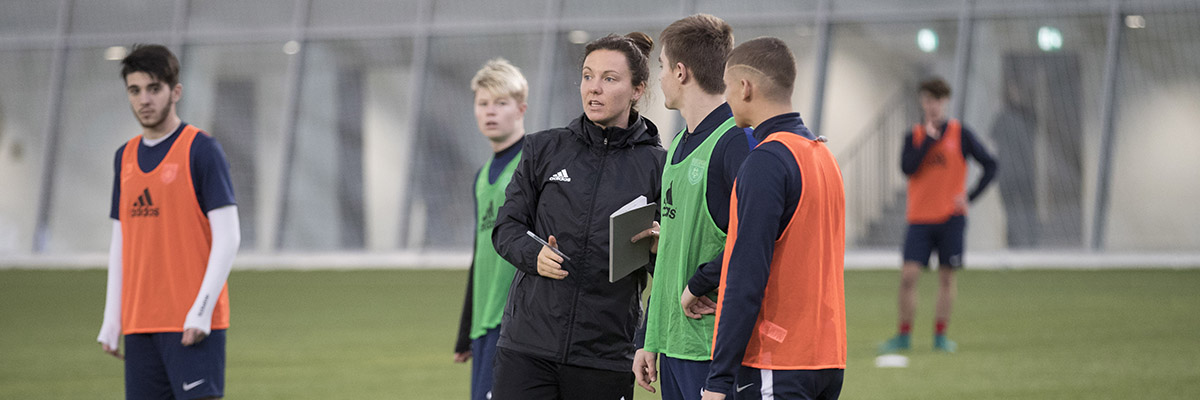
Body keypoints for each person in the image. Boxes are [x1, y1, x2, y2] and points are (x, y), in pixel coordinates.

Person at [490, 32, 666, 400]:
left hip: (605, 355)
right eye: (588, 76)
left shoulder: (659, 166)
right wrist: (532, 254)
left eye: (609, 79)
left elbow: (668, 266)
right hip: (528, 347)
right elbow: (506, 227)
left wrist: (655, 251)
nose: (594, 89)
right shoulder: (543, 148)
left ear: (637, 90)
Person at [702, 37, 847, 400]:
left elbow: (746, 275)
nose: (727, 97)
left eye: (727, 86)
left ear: (745, 87)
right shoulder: (823, 156)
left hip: (778, 361)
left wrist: (718, 380)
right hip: (827, 358)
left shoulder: (766, 161)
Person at [96, 44, 240, 400]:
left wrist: (201, 311)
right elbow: (121, 242)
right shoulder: (124, 157)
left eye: (154, 88)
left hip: (192, 324)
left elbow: (229, 237)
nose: (144, 99)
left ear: (175, 92)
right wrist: (113, 317)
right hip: (141, 325)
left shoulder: (202, 150)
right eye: (135, 90)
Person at [631, 14, 755, 400]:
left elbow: (756, 238)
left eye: (663, 67)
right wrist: (648, 336)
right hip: (672, 347)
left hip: (714, 353)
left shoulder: (736, 142)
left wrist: (700, 282)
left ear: (681, 72)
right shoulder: (679, 144)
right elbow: (671, 254)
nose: (661, 78)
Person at [878, 77, 997, 354]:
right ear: (922, 102)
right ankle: (904, 334)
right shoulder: (914, 136)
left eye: (937, 100)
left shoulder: (961, 133)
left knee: (946, 277)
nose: (932, 106)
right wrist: (928, 142)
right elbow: (908, 168)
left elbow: (990, 165)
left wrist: (969, 196)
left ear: (945, 102)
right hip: (919, 219)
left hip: (950, 219)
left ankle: (940, 335)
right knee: (908, 276)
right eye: (928, 100)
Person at [453, 58, 529, 400]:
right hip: (484, 325)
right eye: (483, 103)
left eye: (501, 103)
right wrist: (466, 329)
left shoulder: (534, 163)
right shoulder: (481, 177)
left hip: (518, 321)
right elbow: (479, 253)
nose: (490, 111)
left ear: (521, 108)